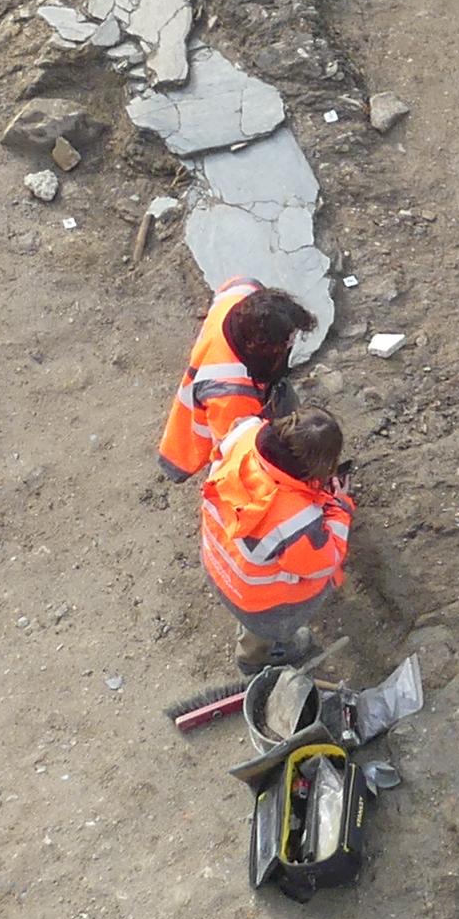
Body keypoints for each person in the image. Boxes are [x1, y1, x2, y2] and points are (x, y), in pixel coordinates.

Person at [199, 406, 353, 669]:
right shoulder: (295, 520)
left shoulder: (245, 432)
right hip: (253, 599)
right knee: (263, 629)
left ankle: (254, 643)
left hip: (216, 558)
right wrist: (340, 507)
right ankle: (255, 659)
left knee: (250, 608)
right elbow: (325, 561)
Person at [154, 277, 318, 483]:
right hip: (213, 437)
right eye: (286, 342)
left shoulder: (242, 291)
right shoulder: (231, 396)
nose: (291, 343)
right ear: (261, 348)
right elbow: (237, 453)